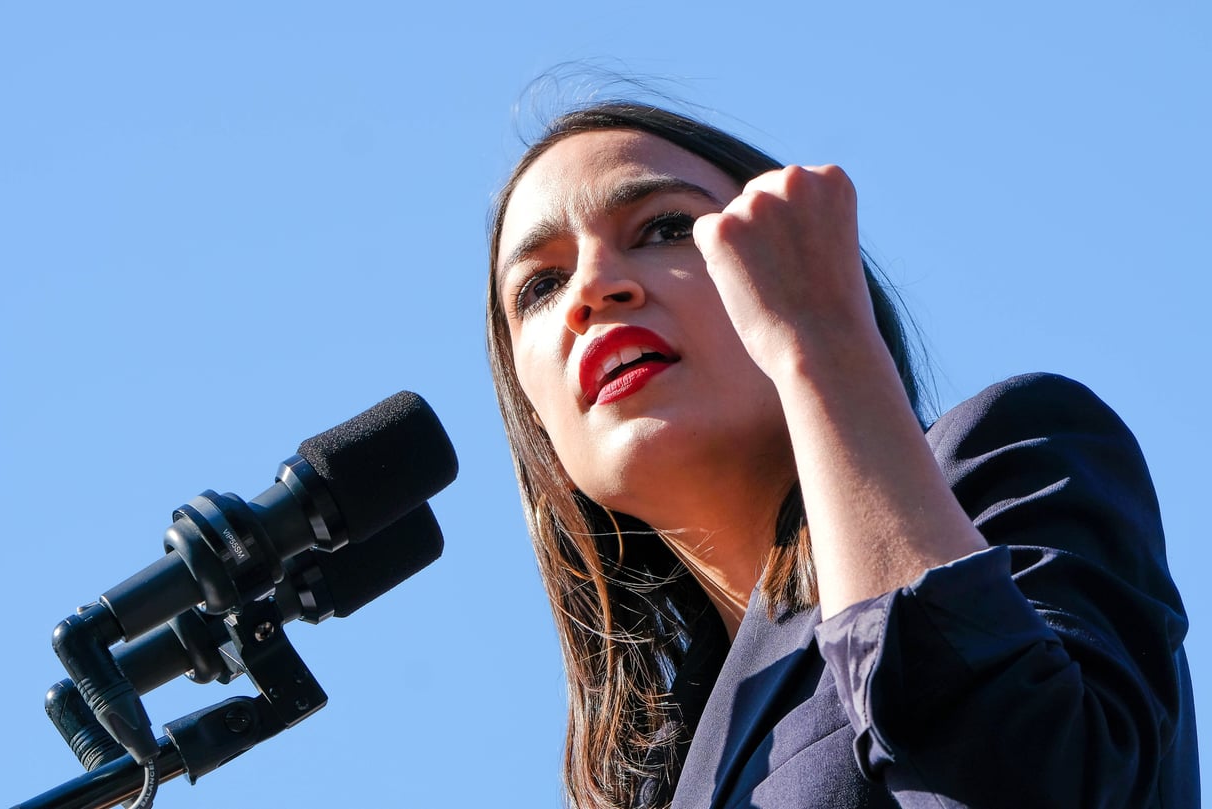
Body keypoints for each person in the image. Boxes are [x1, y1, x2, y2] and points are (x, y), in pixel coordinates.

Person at [485, 102, 1198, 808]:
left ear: (796, 258)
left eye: (666, 226)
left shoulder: (1000, 457)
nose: (590, 290)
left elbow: (1026, 782)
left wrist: (819, 342)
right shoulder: (670, 773)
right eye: (539, 286)